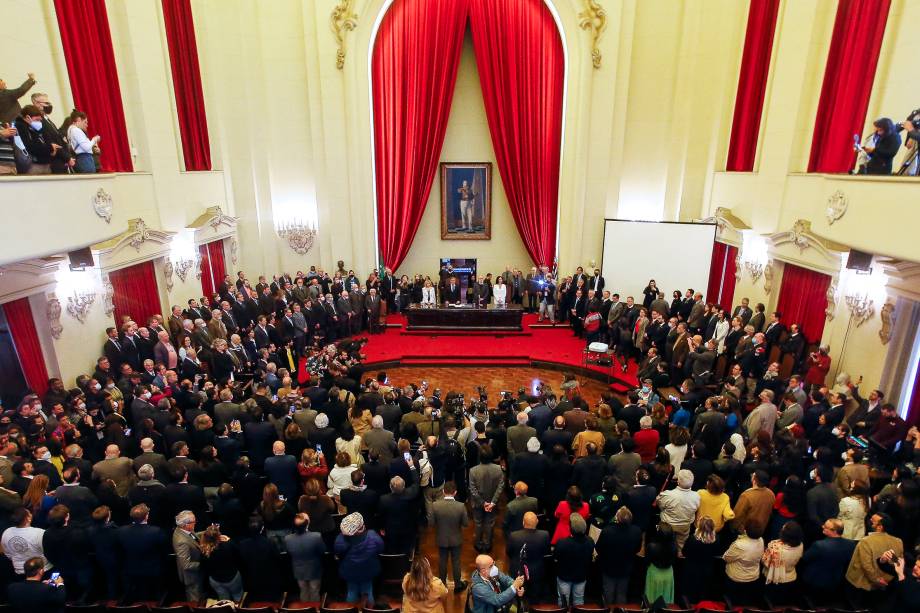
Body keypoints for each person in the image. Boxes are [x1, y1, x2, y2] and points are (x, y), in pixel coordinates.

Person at [845, 512, 904, 608]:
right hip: (887, 583)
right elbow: (898, 563)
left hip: (864, 585)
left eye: (873, 522)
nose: (870, 522)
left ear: (880, 527)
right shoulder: (898, 541)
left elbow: (866, 566)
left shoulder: (866, 541)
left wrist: (877, 580)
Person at [334, 512, 385, 608]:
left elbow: (337, 552)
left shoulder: (340, 540)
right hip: (368, 571)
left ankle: (350, 609)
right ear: (362, 526)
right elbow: (381, 548)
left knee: (351, 591)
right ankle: (369, 609)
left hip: (349, 572)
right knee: (368, 591)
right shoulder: (373, 536)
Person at [431, 481, 469, 592]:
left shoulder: (435, 505)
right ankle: (458, 585)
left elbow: (432, 523)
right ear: (455, 492)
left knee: (442, 561)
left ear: (443, 491)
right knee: (456, 561)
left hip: (441, 538)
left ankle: (442, 584)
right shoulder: (461, 506)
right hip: (456, 539)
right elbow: (465, 524)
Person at [553, 513, 594, 607]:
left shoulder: (562, 543)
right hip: (581, 577)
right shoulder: (590, 541)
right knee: (579, 601)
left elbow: (555, 558)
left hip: (564, 577)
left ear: (571, 529)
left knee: (563, 602)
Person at [469, 446, 503, 552]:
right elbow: (500, 487)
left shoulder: (473, 471)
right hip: (492, 503)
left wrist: (483, 503)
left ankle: (478, 544)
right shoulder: (498, 469)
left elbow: (472, 489)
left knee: (478, 523)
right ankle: (488, 544)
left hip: (478, 503)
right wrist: (493, 502)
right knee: (489, 523)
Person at [285, 513, 326, 602]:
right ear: (307, 523)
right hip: (314, 570)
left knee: (303, 591)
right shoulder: (316, 536)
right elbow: (322, 551)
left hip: (298, 571)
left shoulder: (288, 539)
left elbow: (289, 553)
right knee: (314, 591)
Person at [723, 521, 765, 606]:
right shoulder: (761, 540)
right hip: (753, 577)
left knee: (734, 602)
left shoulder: (739, 545)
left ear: (746, 530)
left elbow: (726, 558)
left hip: (736, 578)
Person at [762, 521, 804, 605]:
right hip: (790, 577)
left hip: (774, 578)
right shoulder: (801, 545)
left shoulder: (774, 546)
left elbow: (766, 563)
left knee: (771, 601)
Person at [199, 523, 243, 602]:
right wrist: (229, 540)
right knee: (238, 596)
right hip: (232, 577)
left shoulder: (204, 550)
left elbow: (203, 566)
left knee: (223, 600)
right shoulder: (228, 545)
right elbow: (238, 555)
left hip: (215, 580)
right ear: (218, 536)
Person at [173, 509, 204, 603]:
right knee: (195, 601)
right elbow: (186, 565)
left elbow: (193, 536)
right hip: (191, 577)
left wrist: (207, 532)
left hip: (196, 573)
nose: (195, 523)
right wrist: (204, 564)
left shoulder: (183, 530)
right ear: (186, 525)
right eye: (193, 522)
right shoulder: (181, 541)